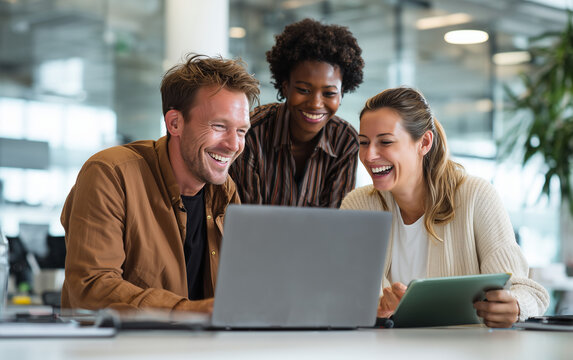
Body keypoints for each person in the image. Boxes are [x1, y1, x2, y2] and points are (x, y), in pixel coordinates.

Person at [60, 54, 260, 313]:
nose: (234, 145)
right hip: (120, 352)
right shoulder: (111, 174)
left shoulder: (225, 190)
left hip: (202, 350)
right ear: (175, 123)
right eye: (219, 126)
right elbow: (90, 289)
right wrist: (189, 311)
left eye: (241, 130)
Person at [340, 87, 549, 328]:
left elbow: (527, 290)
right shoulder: (358, 205)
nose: (369, 155)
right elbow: (341, 293)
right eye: (363, 143)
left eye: (385, 142)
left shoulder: (476, 196)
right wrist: (373, 308)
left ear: (424, 143)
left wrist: (515, 305)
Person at [229, 18, 364, 207]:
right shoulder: (253, 131)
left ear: (341, 95)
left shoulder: (345, 140)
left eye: (329, 93)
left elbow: (335, 222)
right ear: (285, 87)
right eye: (303, 90)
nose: (316, 103)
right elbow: (250, 220)